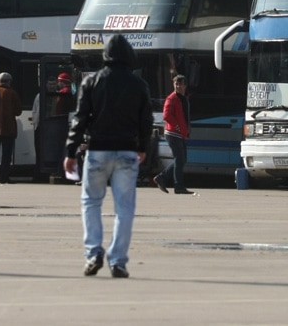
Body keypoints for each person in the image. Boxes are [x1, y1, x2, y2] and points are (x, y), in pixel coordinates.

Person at [63, 34, 153, 279]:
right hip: (127, 150)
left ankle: (93, 252)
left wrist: (71, 151)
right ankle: (118, 261)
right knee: (124, 207)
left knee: (91, 201)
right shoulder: (138, 85)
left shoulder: (92, 82)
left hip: (97, 150)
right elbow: (146, 120)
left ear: (105, 55)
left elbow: (80, 119)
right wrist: (143, 147)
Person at [153, 74, 192, 195]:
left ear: (185, 86)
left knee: (182, 159)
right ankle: (178, 186)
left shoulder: (184, 98)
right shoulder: (171, 98)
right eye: (176, 84)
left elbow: (185, 115)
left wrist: (186, 128)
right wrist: (177, 126)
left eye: (180, 84)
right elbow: (166, 115)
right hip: (172, 133)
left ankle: (162, 178)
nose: (178, 86)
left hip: (180, 134)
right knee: (180, 158)